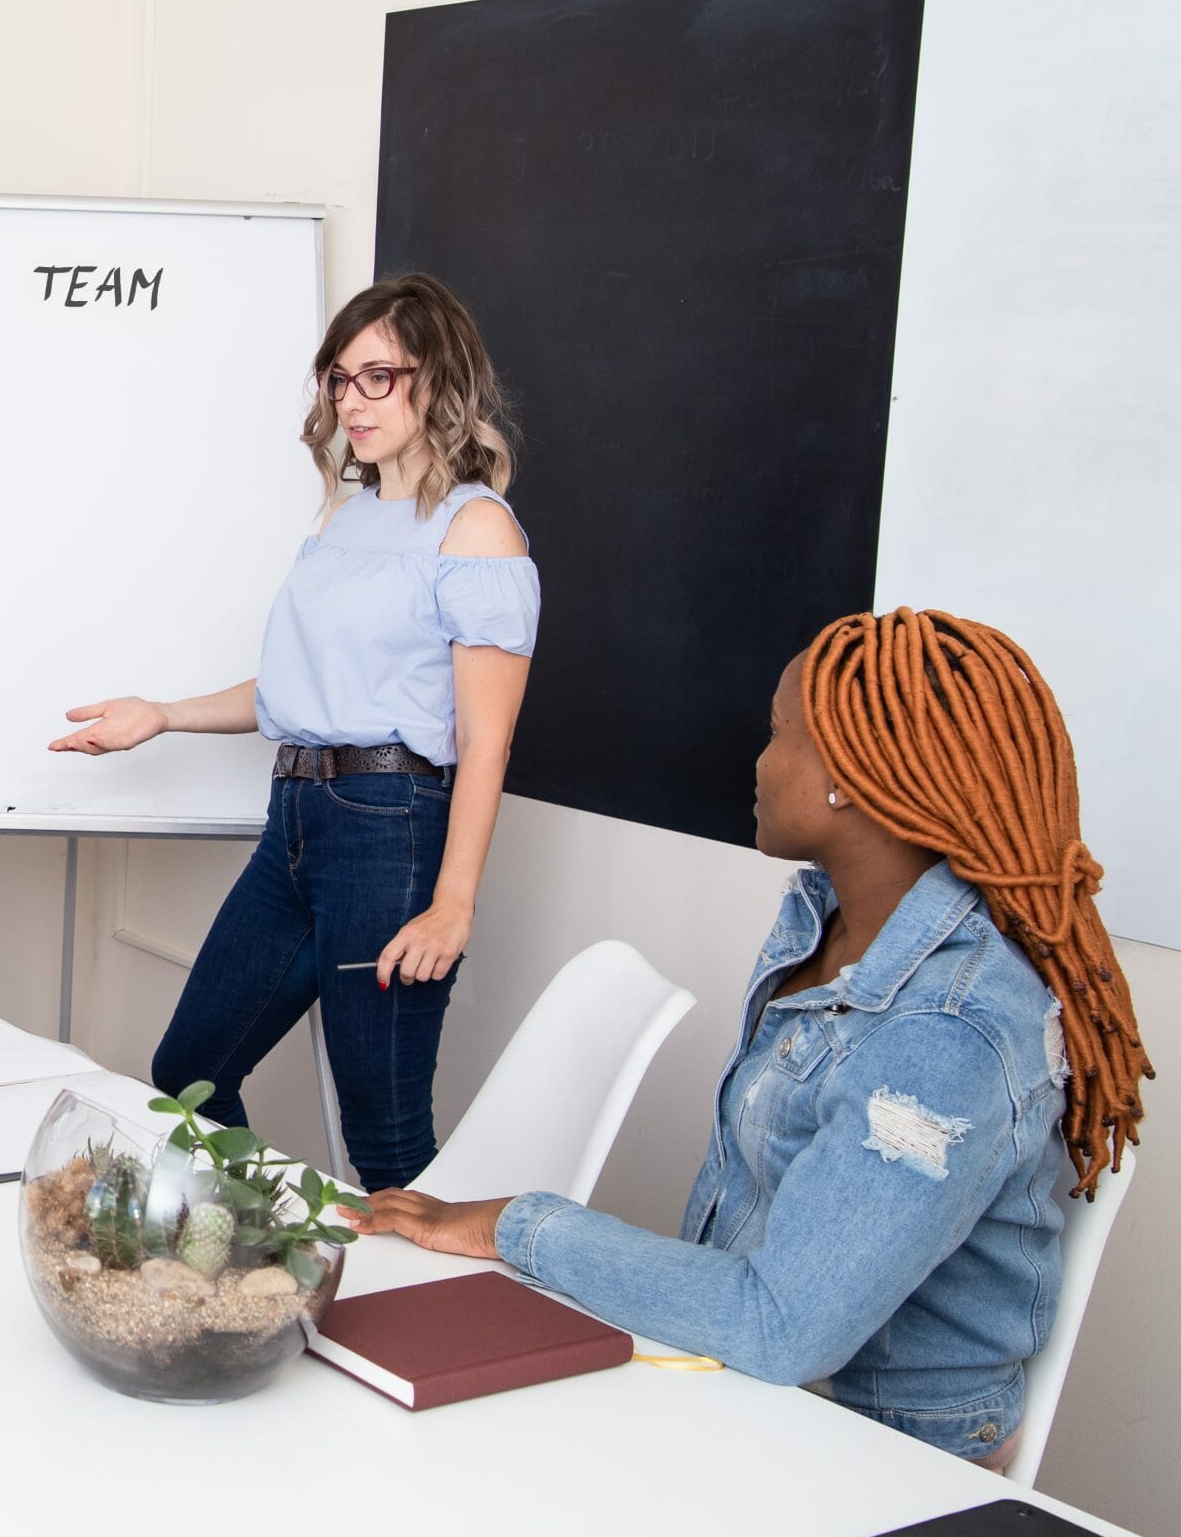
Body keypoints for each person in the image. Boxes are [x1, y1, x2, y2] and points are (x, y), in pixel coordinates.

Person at [347, 609, 1152, 1466]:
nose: (760, 759)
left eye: (779, 733)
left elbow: (781, 1324)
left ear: (849, 774)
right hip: (745, 1391)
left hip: (879, 1457)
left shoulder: (946, 1034)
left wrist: (512, 1223)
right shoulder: (828, 924)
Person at [51, 273, 537, 1189]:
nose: (350, 400)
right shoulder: (345, 517)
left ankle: (430, 1328)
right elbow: (296, 692)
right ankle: (262, 1256)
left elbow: (487, 740)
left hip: (392, 829)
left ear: (439, 379)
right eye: (339, 379)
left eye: (377, 377)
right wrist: (164, 715)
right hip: (297, 821)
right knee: (189, 1074)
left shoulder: (479, 534)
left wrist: (453, 903)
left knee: (386, 1138)